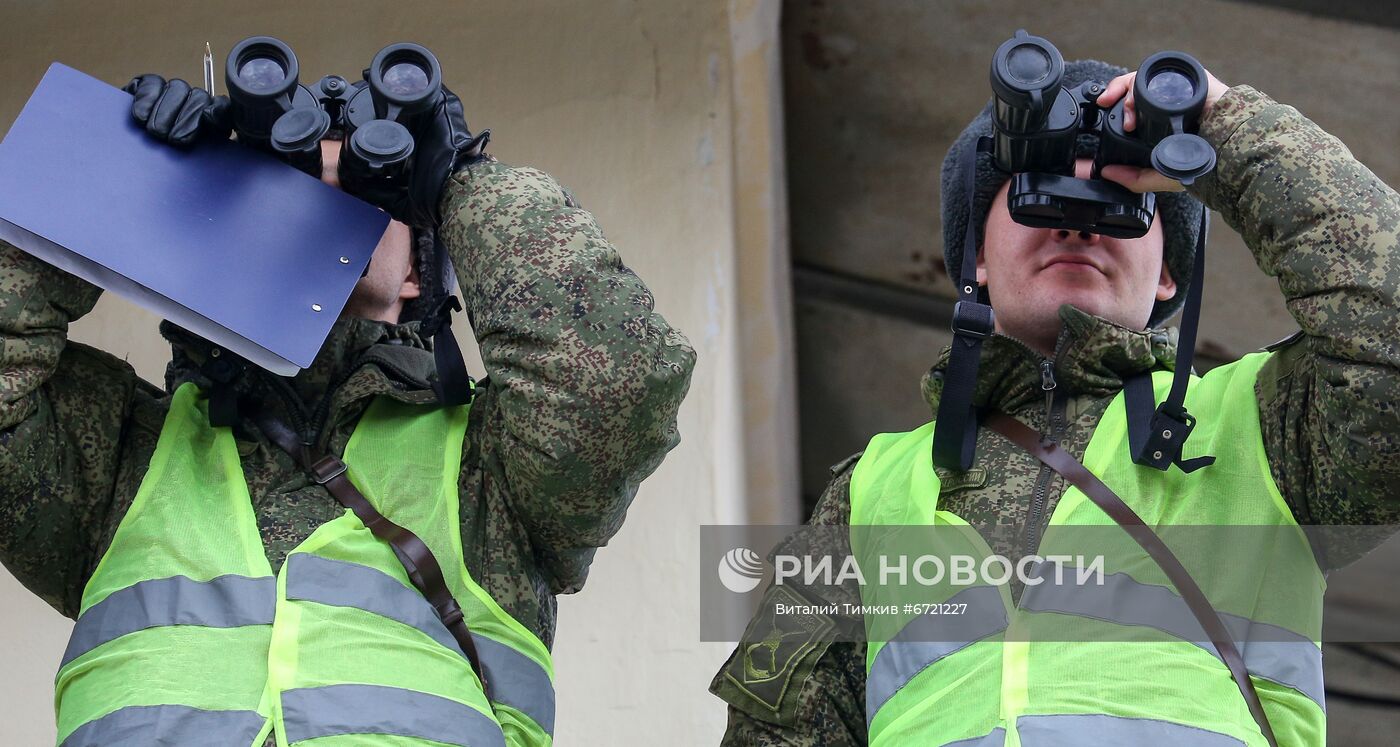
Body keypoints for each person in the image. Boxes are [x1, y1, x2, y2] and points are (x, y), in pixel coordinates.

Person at [711, 57, 1400, 746]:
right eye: (1038, 188)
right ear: (975, 255)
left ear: (1169, 273)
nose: (1078, 221)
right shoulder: (872, 489)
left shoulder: (1264, 426)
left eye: (1120, 195)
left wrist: (1227, 129)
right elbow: (775, 734)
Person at [0, 69, 695, 746]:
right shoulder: (120, 456)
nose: (314, 205)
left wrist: (459, 180)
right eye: (282, 182)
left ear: (418, 269)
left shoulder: (487, 473)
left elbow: (615, 378)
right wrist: (121, 171)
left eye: (363, 194)